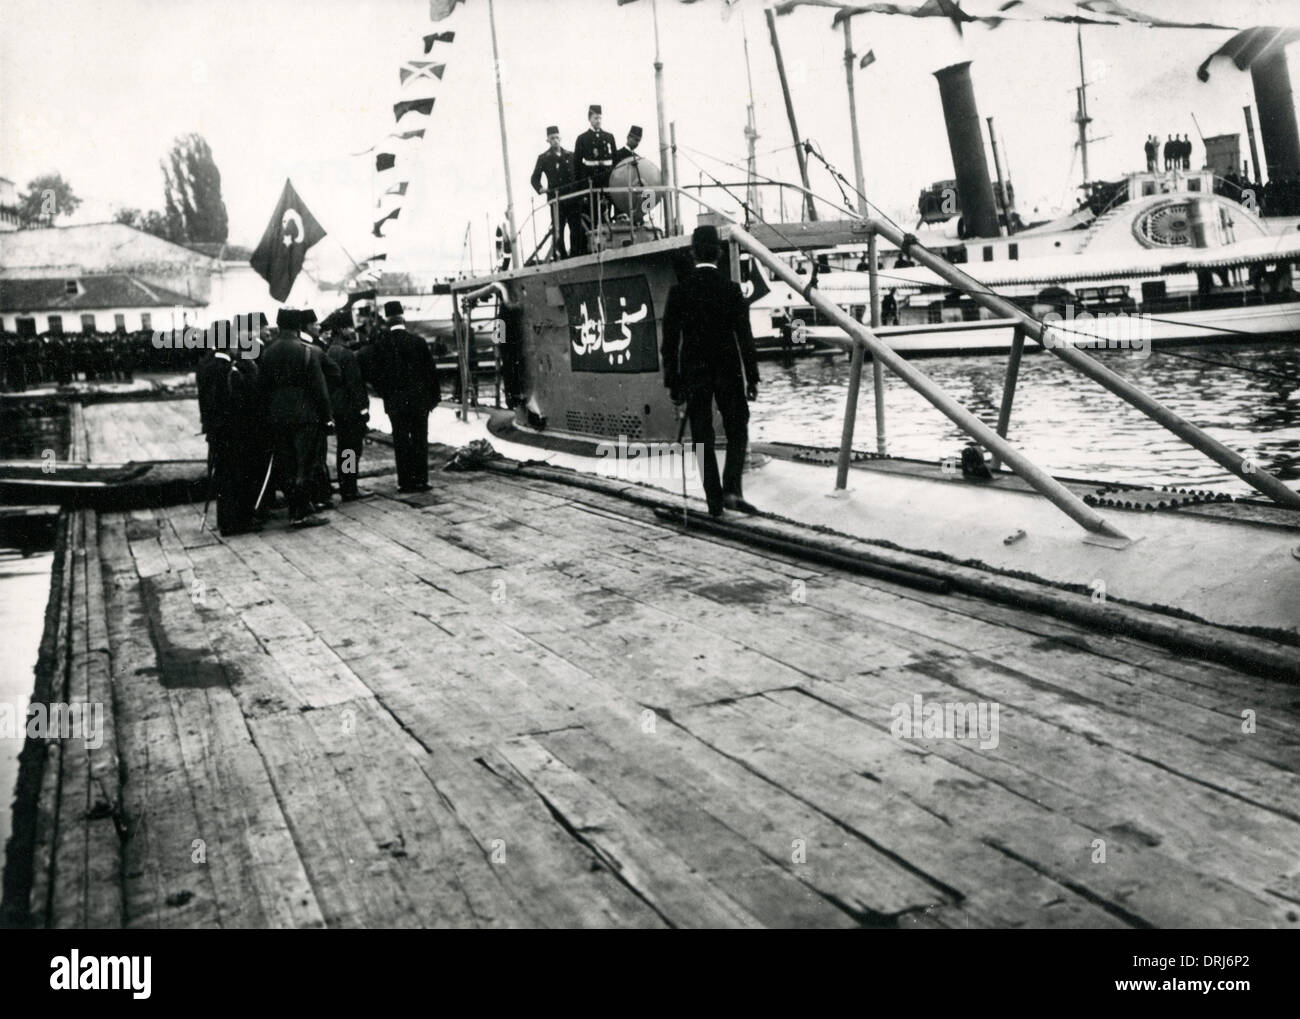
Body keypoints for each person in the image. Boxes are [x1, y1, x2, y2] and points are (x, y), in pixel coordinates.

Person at [661, 224, 761, 517]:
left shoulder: (679, 291)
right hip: (728, 370)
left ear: (693, 253)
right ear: (718, 253)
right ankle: (732, 489)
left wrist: (673, 383)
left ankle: (714, 503)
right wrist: (752, 376)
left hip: (694, 373)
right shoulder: (731, 290)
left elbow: (669, 343)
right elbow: (745, 337)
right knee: (737, 428)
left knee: (702, 437)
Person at [258, 309, 332, 528]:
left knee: (287, 465)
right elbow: (320, 389)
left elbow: (262, 387)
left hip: (277, 417)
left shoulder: (268, 352)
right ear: (298, 327)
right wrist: (327, 416)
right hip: (305, 416)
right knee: (305, 465)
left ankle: (294, 510)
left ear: (279, 326)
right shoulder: (306, 351)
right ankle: (302, 512)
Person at [196, 321, 261, 536]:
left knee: (224, 477)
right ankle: (234, 523)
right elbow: (226, 404)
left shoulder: (205, 364)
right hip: (230, 433)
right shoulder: (223, 369)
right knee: (233, 477)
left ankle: (228, 520)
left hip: (216, 432)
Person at [372, 300, 441, 493]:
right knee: (420, 440)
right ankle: (421, 480)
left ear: (387, 321)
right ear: (403, 318)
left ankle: (405, 482)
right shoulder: (418, 342)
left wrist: (386, 395)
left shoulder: (381, 345)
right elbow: (431, 373)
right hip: (419, 402)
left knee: (401, 442)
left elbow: (376, 377)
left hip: (396, 403)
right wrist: (433, 399)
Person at [322, 313, 372, 501]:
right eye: (349, 327)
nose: (352, 331)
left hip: (338, 409)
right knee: (351, 450)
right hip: (350, 410)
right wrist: (363, 410)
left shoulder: (330, 351)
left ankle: (345, 484)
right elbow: (355, 385)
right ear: (342, 330)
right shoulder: (346, 354)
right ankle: (350, 488)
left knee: (344, 449)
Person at [572, 104, 617, 253]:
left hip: (606, 179)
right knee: (591, 213)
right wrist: (580, 188)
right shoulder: (582, 139)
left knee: (606, 210)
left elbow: (615, 161)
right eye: (595, 118)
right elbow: (577, 165)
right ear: (589, 119)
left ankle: (609, 241)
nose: (598, 120)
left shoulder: (609, 137)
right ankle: (593, 245)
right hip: (590, 180)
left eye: (600, 118)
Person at [530, 126, 579, 260]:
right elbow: (534, 178)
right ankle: (562, 255)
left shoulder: (570, 155)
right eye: (552, 138)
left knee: (575, 227)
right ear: (548, 140)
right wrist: (541, 189)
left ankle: (575, 253)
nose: (555, 141)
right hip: (556, 199)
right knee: (559, 229)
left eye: (557, 138)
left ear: (560, 138)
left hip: (572, 197)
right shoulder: (544, 158)